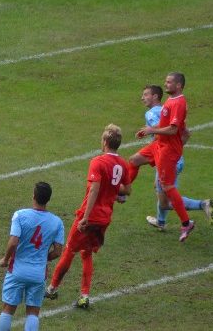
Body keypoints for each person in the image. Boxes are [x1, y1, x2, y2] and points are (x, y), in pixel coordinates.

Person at [45, 124, 132, 309]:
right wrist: (114, 194)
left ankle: (52, 289)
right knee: (86, 253)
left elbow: (94, 189)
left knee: (69, 250)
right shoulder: (123, 164)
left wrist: (85, 217)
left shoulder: (98, 162)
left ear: (105, 142)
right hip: (105, 218)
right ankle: (84, 296)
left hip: (90, 216)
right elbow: (127, 190)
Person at [132, 85, 213, 231]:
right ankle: (161, 222)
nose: (142, 97)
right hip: (174, 158)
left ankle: (202, 205)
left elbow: (165, 131)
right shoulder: (167, 111)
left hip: (168, 160)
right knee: (161, 190)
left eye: (145, 94)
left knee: (165, 199)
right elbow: (186, 133)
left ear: (155, 96)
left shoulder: (152, 113)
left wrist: (152, 131)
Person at [126, 73, 197, 241]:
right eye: (165, 81)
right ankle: (123, 192)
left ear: (179, 85)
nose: (166, 84)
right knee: (134, 160)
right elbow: (171, 126)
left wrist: (152, 130)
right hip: (158, 145)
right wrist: (148, 130)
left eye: (169, 82)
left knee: (167, 186)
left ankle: (186, 223)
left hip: (167, 150)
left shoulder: (179, 102)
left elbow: (172, 129)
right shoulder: (171, 101)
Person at [0, 182, 64, 331]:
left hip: (17, 271)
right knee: (33, 312)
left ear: (33, 196)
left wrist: (5, 260)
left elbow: (13, 242)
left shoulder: (20, 215)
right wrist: (43, 258)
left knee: (8, 308)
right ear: (48, 199)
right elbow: (58, 251)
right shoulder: (57, 222)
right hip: (38, 274)